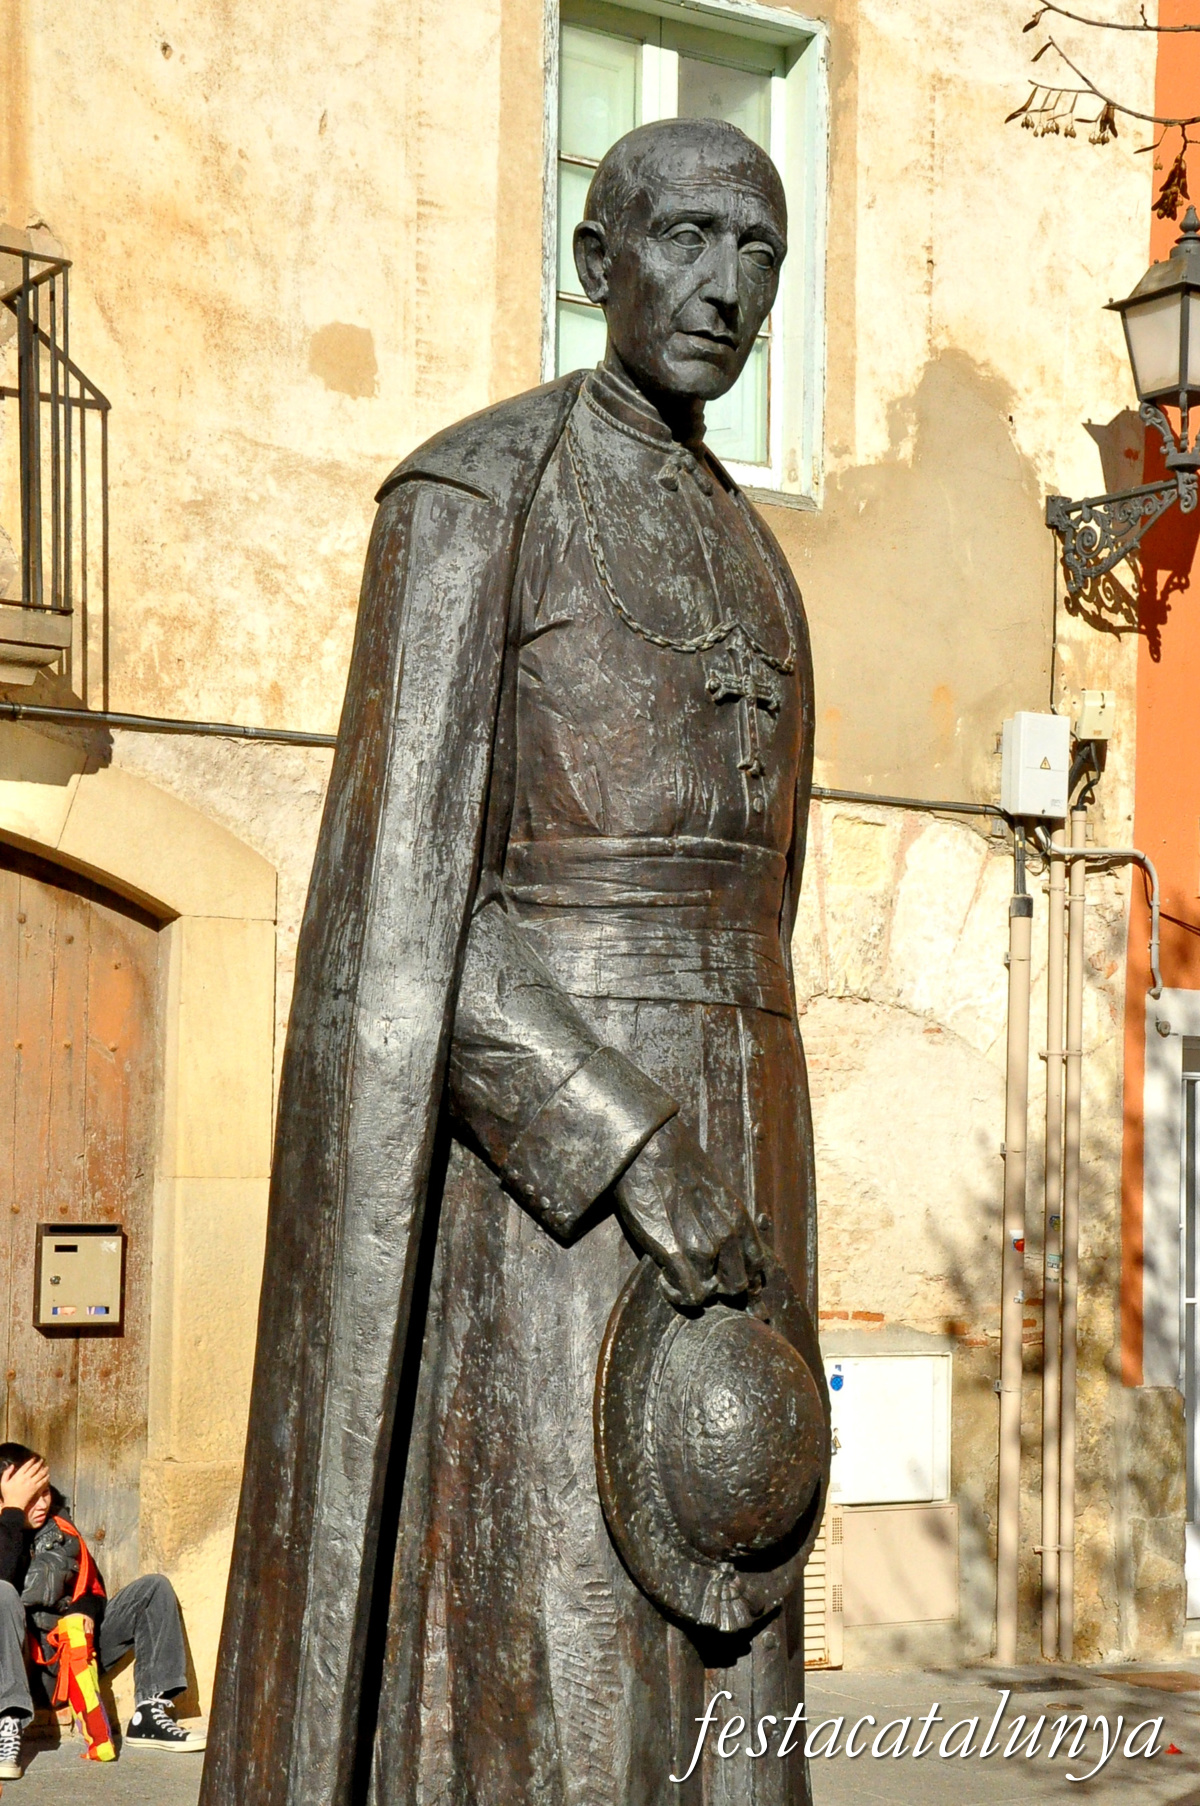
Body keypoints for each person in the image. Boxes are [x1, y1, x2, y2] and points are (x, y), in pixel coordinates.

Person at [204, 117, 823, 1806]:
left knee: (733, 1580)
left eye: (759, 250)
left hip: (749, 1115)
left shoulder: (754, 545)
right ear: (595, 260)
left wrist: (724, 1131)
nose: (724, 284)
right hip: (547, 1191)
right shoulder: (480, 491)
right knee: (557, 1638)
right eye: (685, 237)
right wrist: (628, 1137)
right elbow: (393, 919)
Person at [0, 1444, 206, 1776]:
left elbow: (92, 1588)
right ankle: (6, 1724)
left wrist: (83, 1611)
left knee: (153, 1588)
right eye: (29, 1496)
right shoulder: (7, 1528)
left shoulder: (59, 1531)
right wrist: (11, 1513)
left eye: (45, 1493)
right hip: (20, 1672)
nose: (41, 1504)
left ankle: (150, 1713)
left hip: (69, 1660)